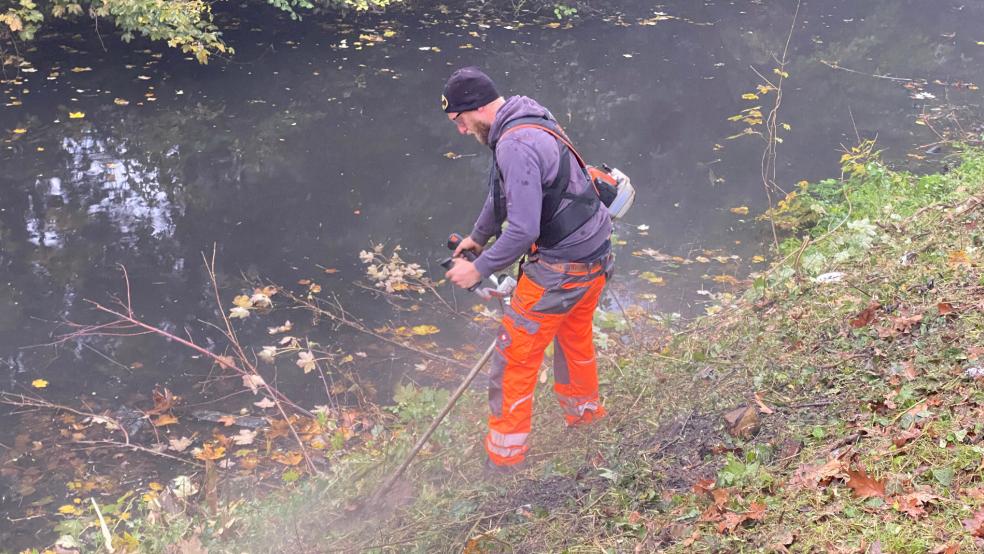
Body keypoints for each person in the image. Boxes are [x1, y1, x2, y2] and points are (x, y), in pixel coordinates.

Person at [441, 66, 614, 470]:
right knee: (574, 340)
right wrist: (478, 236)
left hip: (563, 269)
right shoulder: (527, 116)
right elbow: (504, 190)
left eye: (460, 121)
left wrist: (477, 268)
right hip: (595, 254)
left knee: (514, 356)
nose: (461, 131)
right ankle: (586, 418)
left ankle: (505, 459)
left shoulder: (513, 144)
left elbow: (522, 230)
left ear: (477, 108)